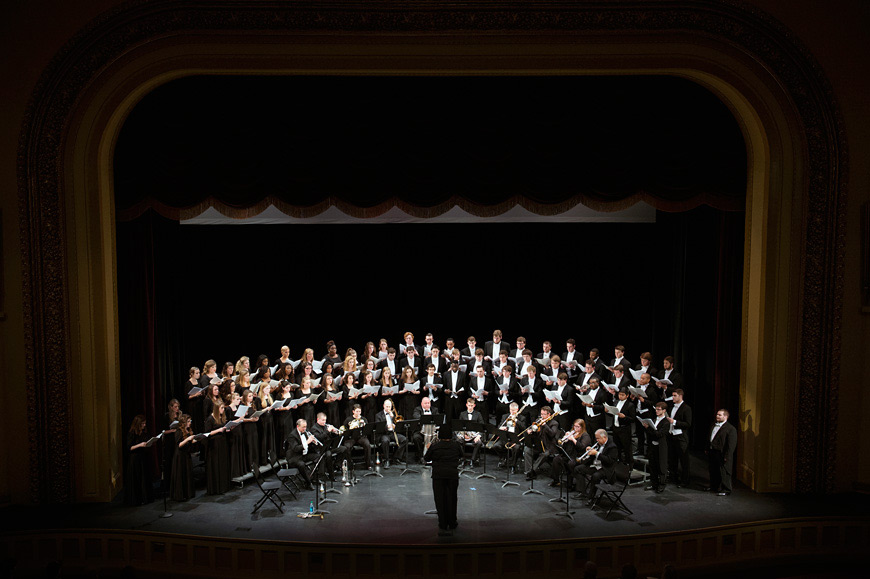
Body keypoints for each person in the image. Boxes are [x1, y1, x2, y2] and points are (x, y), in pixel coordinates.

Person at [424, 423, 463, 536]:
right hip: (452, 475)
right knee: (452, 498)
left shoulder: (435, 446)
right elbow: (461, 455)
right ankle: (452, 522)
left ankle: (442, 523)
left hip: (438, 476)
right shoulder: (455, 445)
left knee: (440, 499)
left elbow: (426, 458)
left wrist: (428, 449)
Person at [573, 428, 619, 506]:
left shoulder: (612, 447)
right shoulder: (598, 443)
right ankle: (582, 491)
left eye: (598, 438)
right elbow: (593, 455)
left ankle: (591, 497)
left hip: (605, 468)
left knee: (595, 476)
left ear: (604, 437)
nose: (597, 440)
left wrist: (597, 453)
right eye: (596, 438)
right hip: (595, 465)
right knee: (578, 469)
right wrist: (589, 451)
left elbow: (609, 461)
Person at [705, 408, 737, 495]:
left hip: (722, 453)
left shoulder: (730, 429)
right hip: (713, 451)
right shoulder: (713, 425)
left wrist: (727, 456)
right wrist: (707, 448)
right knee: (713, 470)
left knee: (724, 471)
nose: (717, 416)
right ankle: (714, 486)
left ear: (725, 416)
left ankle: (726, 489)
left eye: (720, 415)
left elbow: (731, 445)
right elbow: (710, 437)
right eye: (717, 414)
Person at [124, 415, 154, 506]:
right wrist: (140, 445)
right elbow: (129, 447)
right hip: (135, 459)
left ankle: (145, 498)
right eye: (142, 423)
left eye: (145, 423)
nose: (144, 425)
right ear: (138, 424)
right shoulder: (132, 433)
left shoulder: (144, 432)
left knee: (144, 478)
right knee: (137, 478)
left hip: (143, 458)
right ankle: (137, 499)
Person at [666, 389, 693, 487]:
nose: (672, 397)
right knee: (672, 459)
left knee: (684, 460)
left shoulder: (686, 408)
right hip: (671, 436)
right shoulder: (671, 407)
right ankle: (673, 478)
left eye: (674, 395)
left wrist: (675, 422)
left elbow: (688, 424)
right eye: (672, 395)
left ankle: (685, 481)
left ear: (680, 396)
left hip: (681, 437)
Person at [643, 401, 670, 493]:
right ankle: (654, 484)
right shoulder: (654, 420)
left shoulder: (666, 422)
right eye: (656, 409)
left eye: (659, 410)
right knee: (652, 466)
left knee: (661, 466)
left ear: (664, 410)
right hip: (652, 446)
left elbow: (659, 434)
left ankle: (661, 485)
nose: (656, 411)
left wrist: (649, 428)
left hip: (661, 447)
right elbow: (651, 434)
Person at [170, 414, 198, 501]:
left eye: (190, 421)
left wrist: (196, 439)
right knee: (181, 474)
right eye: (188, 421)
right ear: (184, 422)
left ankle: (188, 493)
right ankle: (180, 495)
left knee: (187, 473)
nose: (190, 423)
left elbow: (190, 442)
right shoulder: (179, 431)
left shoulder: (188, 430)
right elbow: (179, 444)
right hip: (180, 456)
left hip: (186, 455)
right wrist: (188, 439)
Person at [285, 418, 319, 489]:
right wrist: (307, 442)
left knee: (318, 456)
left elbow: (308, 445)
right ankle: (308, 483)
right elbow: (296, 448)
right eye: (303, 427)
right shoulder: (292, 435)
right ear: (298, 426)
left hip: (303, 454)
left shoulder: (305, 432)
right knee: (301, 464)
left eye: (305, 426)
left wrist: (313, 442)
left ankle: (312, 477)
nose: (305, 428)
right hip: (294, 457)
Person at [375, 399, 407, 468]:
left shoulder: (393, 414)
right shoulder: (378, 415)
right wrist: (387, 426)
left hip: (392, 432)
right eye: (387, 407)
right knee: (385, 441)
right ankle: (387, 460)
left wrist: (394, 422)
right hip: (384, 433)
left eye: (389, 407)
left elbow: (399, 424)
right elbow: (378, 428)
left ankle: (396, 458)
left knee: (404, 439)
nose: (388, 408)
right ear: (383, 406)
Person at [341, 404, 372, 470]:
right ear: (353, 411)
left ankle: (368, 464)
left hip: (361, 437)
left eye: (359, 411)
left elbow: (367, 430)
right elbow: (344, 429)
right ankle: (350, 464)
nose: (358, 413)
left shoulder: (363, 419)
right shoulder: (348, 419)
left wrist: (363, 425)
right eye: (357, 411)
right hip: (351, 438)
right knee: (347, 446)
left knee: (367, 445)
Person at [456, 398, 485, 465]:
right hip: (465, 435)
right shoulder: (462, 414)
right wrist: (463, 434)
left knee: (479, 442)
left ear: (474, 405)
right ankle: (463, 458)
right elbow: (459, 427)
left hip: (474, 436)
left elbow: (482, 426)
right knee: (457, 440)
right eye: (469, 405)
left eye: (472, 405)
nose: (470, 407)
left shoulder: (478, 414)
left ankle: (473, 459)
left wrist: (478, 436)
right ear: (466, 405)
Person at [411, 396, 441, 462]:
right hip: (421, 431)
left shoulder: (435, 409)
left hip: (432, 432)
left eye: (428, 403)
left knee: (439, 437)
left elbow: (438, 419)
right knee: (416, 438)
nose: (427, 405)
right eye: (425, 403)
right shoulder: (417, 409)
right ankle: (421, 456)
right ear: (422, 404)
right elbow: (416, 416)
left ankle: (435, 456)